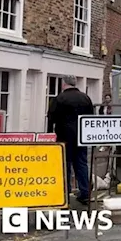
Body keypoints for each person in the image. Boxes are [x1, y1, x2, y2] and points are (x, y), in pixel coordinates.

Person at [47, 75, 94, 205]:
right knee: (81, 164)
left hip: (64, 136)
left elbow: (51, 117)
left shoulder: (59, 98)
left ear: (64, 84)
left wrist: (49, 133)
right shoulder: (85, 98)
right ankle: (85, 193)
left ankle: (65, 193)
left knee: (65, 164)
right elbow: (91, 117)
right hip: (82, 136)